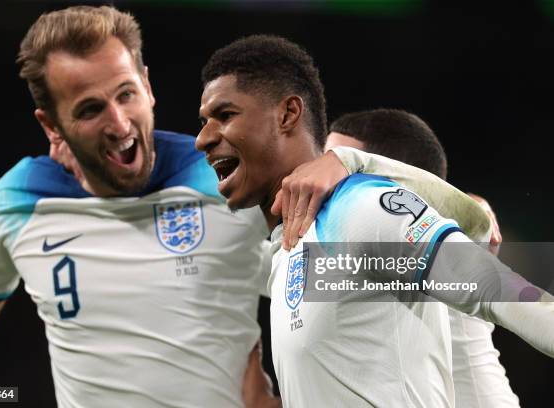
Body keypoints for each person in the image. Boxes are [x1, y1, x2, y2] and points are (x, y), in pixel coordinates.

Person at [0, 6, 279, 407]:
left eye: (126, 94)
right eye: (90, 109)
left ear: (148, 87)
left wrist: (353, 174)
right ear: (51, 126)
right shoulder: (20, 200)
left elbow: (362, 280)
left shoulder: (229, 179)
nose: (119, 124)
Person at [195, 34, 554, 407]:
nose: (202, 139)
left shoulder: (361, 210)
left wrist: (366, 170)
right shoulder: (293, 245)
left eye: (225, 115)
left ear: (288, 114)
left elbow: (499, 291)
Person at [326, 108, 518, 407]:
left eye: (339, 164)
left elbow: (470, 218)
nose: (320, 174)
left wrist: (472, 209)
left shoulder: (438, 230)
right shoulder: (352, 240)